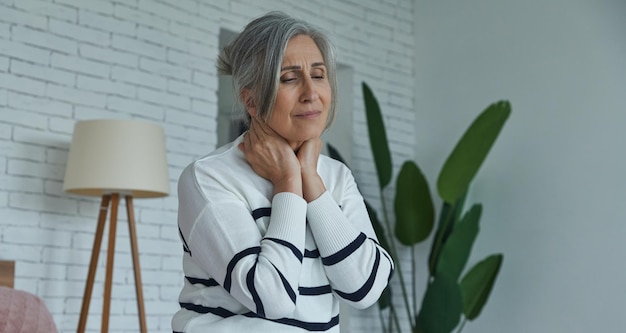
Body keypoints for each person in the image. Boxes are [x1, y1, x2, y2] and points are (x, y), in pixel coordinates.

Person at [172, 11, 394, 333]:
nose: (311, 92)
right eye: (289, 78)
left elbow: (366, 289)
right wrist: (288, 182)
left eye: (318, 75)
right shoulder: (208, 178)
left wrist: (312, 184)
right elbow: (271, 298)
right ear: (251, 100)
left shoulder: (335, 177)